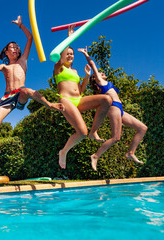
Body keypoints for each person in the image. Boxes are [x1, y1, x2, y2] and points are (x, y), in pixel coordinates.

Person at [0, 15, 65, 167]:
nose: (16, 48)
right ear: (6, 52)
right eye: (12, 47)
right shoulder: (5, 67)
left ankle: (49, 104)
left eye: (17, 47)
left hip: (21, 93)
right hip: (8, 97)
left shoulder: (23, 60)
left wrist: (21, 25)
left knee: (26, 90)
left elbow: (30, 38)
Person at [78, 46, 147, 170]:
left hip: (119, 108)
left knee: (142, 128)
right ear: (95, 78)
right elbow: (92, 64)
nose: (101, 73)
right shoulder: (100, 81)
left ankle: (130, 153)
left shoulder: (107, 83)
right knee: (116, 138)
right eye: (98, 73)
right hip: (113, 107)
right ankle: (95, 156)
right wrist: (86, 54)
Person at [53, 25, 112, 170]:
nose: (70, 55)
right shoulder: (58, 67)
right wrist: (69, 38)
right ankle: (64, 151)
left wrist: (86, 76)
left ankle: (94, 131)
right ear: (63, 54)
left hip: (78, 99)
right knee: (81, 133)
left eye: (72, 54)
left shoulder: (74, 71)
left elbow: (81, 90)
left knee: (106, 100)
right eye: (67, 53)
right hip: (66, 100)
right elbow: (61, 57)